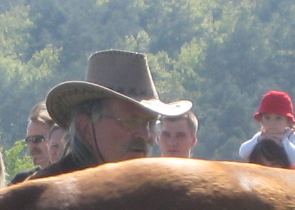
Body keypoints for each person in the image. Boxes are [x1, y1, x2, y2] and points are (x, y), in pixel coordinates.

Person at [38, 51, 190, 181]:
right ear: (85, 128)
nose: (145, 134)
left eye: (150, 123)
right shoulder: (44, 198)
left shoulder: (152, 194)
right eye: (130, 121)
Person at [238, 91, 295, 168]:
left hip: (289, 176)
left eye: (278, 118)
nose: (272, 123)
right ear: (261, 120)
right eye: (267, 118)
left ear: (288, 122)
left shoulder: (293, 136)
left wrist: (284, 140)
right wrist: (259, 139)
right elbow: (243, 153)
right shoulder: (261, 135)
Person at [9, 104, 56, 183]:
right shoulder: (21, 181)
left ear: (54, 138)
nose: (32, 145)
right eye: (29, 140)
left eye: (37, 139)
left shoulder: (69, 177)